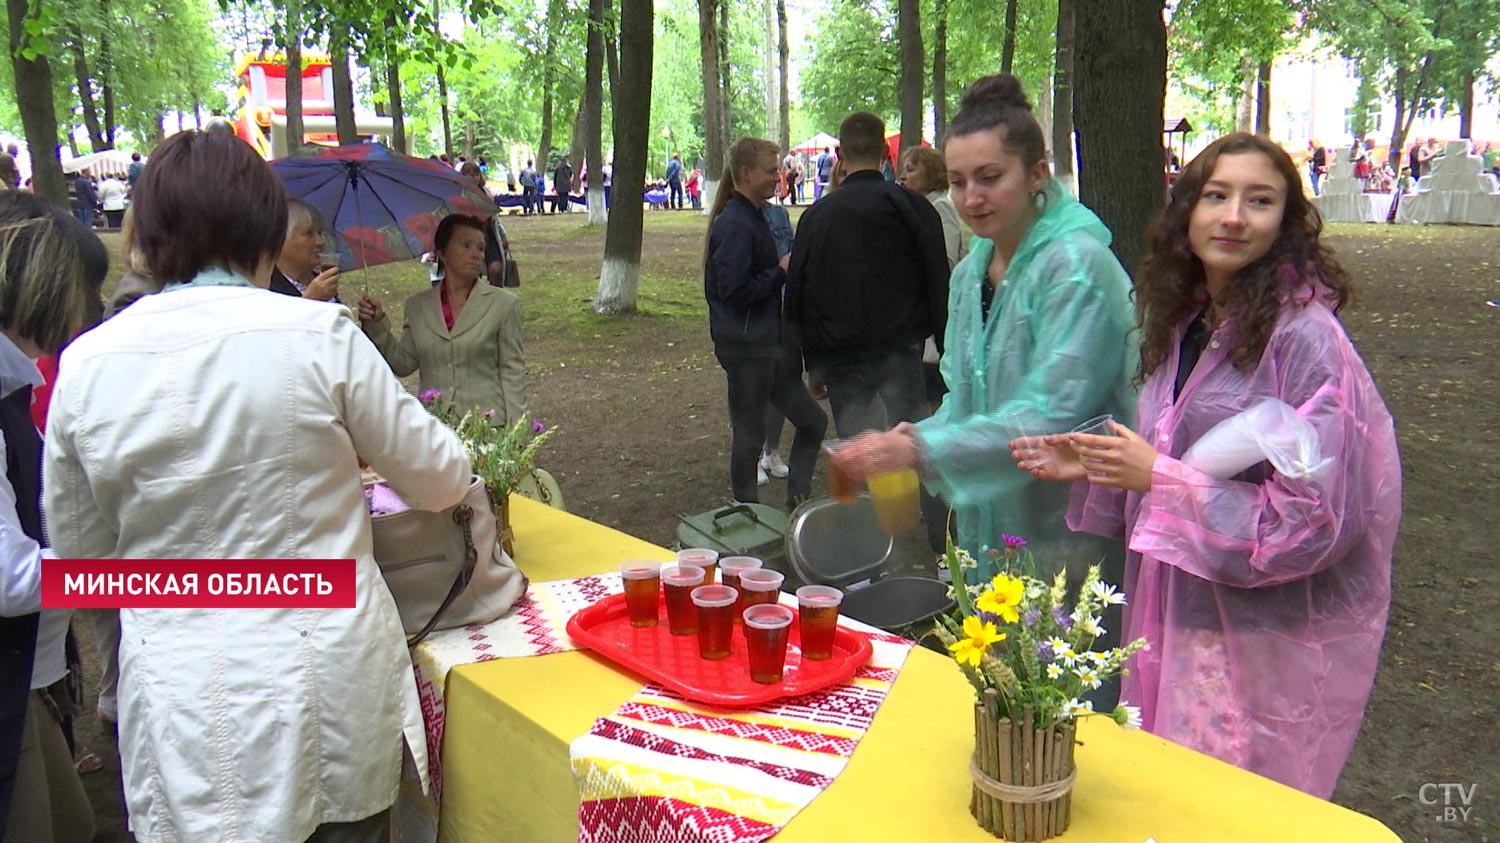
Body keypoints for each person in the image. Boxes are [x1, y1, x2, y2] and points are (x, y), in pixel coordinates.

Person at [42, 130, 472, 843]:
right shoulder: (316, 336)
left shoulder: (86, 365)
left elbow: (83, 561)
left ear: (146, 233)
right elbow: (442, 475)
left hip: (185, 701)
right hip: (322, 683)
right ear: (263, 227)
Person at [1018, 132, 1400, 800]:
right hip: (1175, 606)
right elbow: (1176, 446)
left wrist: (1158, 478)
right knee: (1167, 779)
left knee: (1226, 796)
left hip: (1256, 638)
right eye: (1217, 195)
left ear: (1285, 224)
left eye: (1260, 200)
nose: (1233, 215)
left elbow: (1317, 520)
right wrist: (1101, 462)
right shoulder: (1189, 317)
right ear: (1187, 209)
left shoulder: (1305, 339)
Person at [825, 75, 1135, 601]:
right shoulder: (973, 271)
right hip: (993, 524)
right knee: (996, 665)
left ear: (1037, 173)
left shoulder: (1077, 266)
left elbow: (1053, 413)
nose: (972, 197)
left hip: (1073, 525)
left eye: (990, 177)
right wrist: (915, 434)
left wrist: (918, 446)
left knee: (1067, 666)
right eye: (960, 181)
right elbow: (968, 398)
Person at [1, 192, 104, 843]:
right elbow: (10, 579)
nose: (88, 307)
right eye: (83, 288)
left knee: (74, 822)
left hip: (30, 675)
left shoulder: (17, 384)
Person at [705, 137, 827, 508]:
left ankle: (797, 503)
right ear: (746, 173)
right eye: (771, 170)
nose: (779, 176)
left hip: (767, 349)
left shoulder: (755, 215)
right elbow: (735, 292)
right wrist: (780, 271)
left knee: (813, 423)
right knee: (749, 436)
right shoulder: (735, 222)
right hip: (746, 349)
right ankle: (748, 516)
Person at [359, 214, 528, 425]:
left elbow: (513, 374)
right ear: (443, 253)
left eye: (480, 248)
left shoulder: (504, 305)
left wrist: (517, 435)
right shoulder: (418, 306)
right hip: (434, 430)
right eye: (466, 245)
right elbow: (403, 364)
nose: (476, 254)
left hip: (488, 430)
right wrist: (376, 324)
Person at [897, 145, 968, 412]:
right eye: (904, 169)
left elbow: (946, 260)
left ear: (931, 174)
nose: (903, 176)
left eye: (911, 169)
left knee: (933, 390)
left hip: (938, 308)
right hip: (922, 308)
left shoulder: (940, 207)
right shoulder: (919, 206)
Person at [269, 197, 340, 301]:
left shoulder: (320, 280)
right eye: (308, 234)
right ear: (281, 239)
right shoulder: (268, 287)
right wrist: (309, 300)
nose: (320, 242)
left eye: (320, 233)